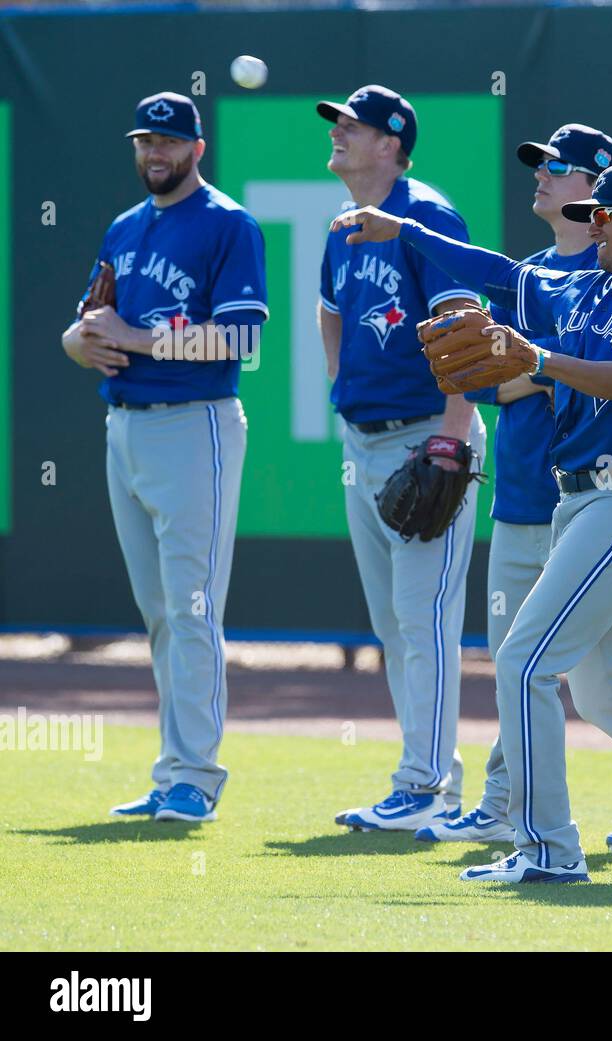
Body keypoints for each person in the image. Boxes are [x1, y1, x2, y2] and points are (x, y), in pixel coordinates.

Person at [330, 162, 612, 883]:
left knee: (523, 658)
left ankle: (548, 849)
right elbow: (498, 272)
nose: (590, 223)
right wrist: (405, 231)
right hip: (578, 500)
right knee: (603, 693)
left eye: (604, 214)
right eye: (587, 214)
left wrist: (537, 356)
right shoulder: (582, 286)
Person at [423, 125, 612, 853]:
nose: (541, 175)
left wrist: (528, 365)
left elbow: (563, 377)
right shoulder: (547, 276)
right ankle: (506, 801)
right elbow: (497, 372)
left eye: (559, 168)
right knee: (523, 657)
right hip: (528, 489)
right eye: (538, 164)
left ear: (600, 190)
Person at [62, 92, 268, 823]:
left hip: (195, 424)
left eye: (170, 142)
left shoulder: (228, 223)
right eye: (146, 140)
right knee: (158, 610)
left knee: (191, 606)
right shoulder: (126, 226)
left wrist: (139, 339)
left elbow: (241, 339)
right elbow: (89, 325)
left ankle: (196, 777)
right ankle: (170, 768)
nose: (156, 153)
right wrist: (79, 340)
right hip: (125, 426)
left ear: (197, 149)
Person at [315, 85, 485, 832]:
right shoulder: (343, 226)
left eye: (353, 125)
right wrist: (348, 391)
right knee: (394, 623)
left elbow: (467, 329)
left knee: (425, 621)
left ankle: (424, 785)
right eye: (339, 124)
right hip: (365, 439)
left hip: (427, 435)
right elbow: (330, 314)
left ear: (392, 142)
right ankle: (428, 776)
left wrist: (451, 435)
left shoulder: (427, 214)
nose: (340, 133)